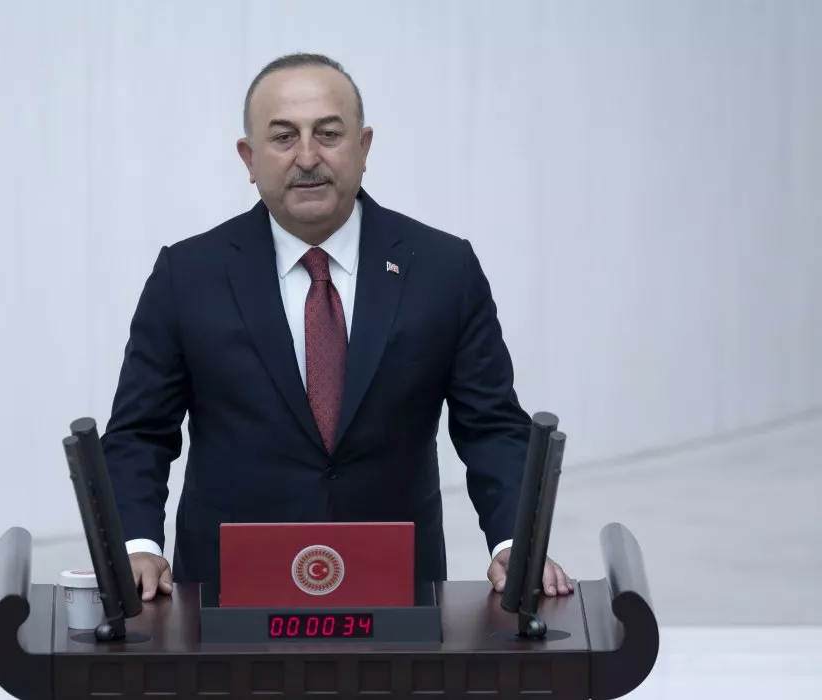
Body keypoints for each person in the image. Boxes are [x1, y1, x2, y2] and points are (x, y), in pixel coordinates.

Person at [100, 52, 572, 601]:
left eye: (328, 134)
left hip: (396, 589)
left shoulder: (442, 268)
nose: (307, 157)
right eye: (283, 137)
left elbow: (491, 424)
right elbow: (140, 432)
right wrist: (137, 544)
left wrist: (514, 541)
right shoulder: (187, 275)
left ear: (364, 148)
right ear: (249, 157)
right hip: (227, 593)